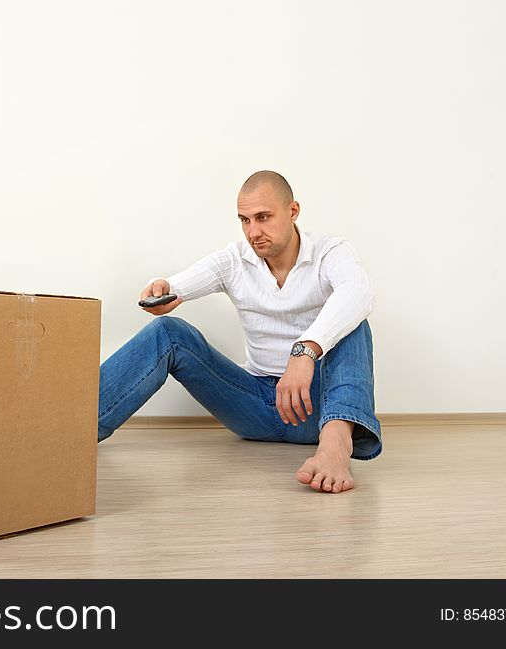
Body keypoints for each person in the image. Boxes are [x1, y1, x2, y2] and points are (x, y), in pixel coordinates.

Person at [97, 170, 381, 493]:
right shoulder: (235, 260)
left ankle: (335, 449)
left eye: (263, 217)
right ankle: (73, 430)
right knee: (169, 333)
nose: (253, 232)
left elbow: (359, 291)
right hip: (256, 405)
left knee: (355, 323)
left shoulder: (330, 252)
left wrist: (305, 351)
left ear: (293, 212)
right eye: (245, 220)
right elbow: (179, 285)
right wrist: (165, 287)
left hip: (317, 409)